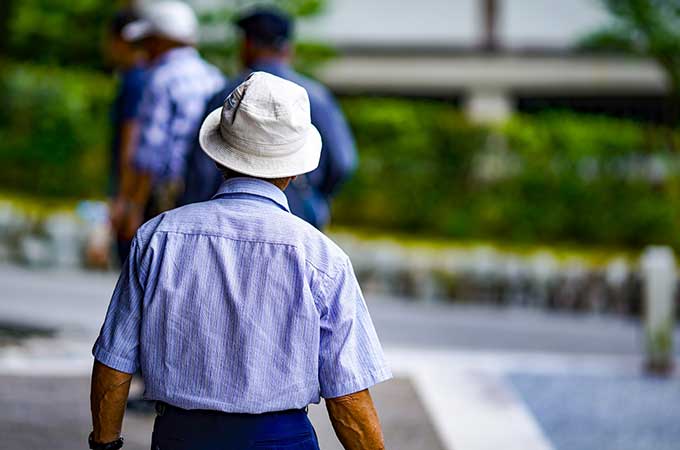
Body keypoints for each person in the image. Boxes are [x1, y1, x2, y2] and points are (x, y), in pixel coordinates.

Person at [89, 72, 390, 450]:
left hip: (180, 437)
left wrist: (105, 444)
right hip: (281, 441)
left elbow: (114, 361)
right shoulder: (322, 258)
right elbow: (347, 396)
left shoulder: (157, 237)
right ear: (294, 169)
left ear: (218, 157)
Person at [181, 8, 356, 229]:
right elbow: (343, 161)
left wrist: (191, 214)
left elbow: (201, 170)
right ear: (288, 48)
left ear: (247, 45)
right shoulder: (314, 97)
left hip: (222, 221)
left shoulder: (228, 94)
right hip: (298, 218)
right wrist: (315, 199)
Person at [113, 1, 225, 241]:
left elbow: (149, 154)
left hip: (166, 194)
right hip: (205, 190)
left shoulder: (160, 79)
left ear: (161, 40)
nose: (144, 49)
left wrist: (132, 206)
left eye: (148, 40)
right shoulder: (213, 76)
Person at [105, 9, 148, 264]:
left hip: (132, 186)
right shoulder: (146, 75)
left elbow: (130, 139)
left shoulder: (135, 80)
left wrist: (123, 198)